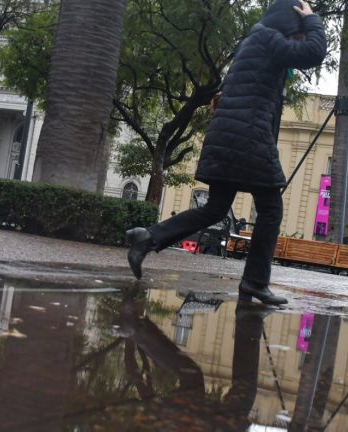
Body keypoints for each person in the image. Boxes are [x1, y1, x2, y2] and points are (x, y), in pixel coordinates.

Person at [125, 0, 327, 306]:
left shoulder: (254, 42)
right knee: (271, 209)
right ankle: (255, 283)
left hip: (232, 136)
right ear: (290, 24)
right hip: (247, 137)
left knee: (215, 208)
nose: (299, 40)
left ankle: (147, 238)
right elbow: (314, 53)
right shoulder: (269, 38)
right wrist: (313, 21)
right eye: (298, 32)